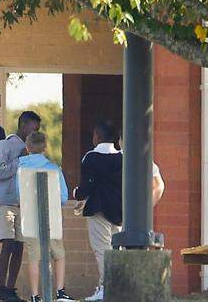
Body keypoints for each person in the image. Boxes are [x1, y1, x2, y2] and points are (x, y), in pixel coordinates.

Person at [76, 121, 162, 301]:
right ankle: (117, 286)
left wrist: (78, 195)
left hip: (98, 209)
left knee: (101, 250)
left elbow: (87, 185)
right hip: (119, 211)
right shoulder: (124, 158)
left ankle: (106, 287)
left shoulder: (91, 157)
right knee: (117, 250)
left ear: (96, 137)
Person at [0, 111, 42, 302]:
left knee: (20, 245)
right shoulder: (7, 144)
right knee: (8, 243)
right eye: (33, 128)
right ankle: (0, 288)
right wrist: (19, 160)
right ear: (23, 126)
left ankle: (10, 288)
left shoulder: (32, 149)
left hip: (23, 202)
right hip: (6, 201)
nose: (35, 132)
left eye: (38, 129)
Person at [17, 132, 72, 302]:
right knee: (59, 254)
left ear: (28, 148)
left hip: (30, 218)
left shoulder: (21, 169)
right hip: (52, 217)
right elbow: (63, 197)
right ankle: (60, 291)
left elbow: (18, 194)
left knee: (34, 256)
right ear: (45, 147)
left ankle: (34, 295)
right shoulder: (54, 169)